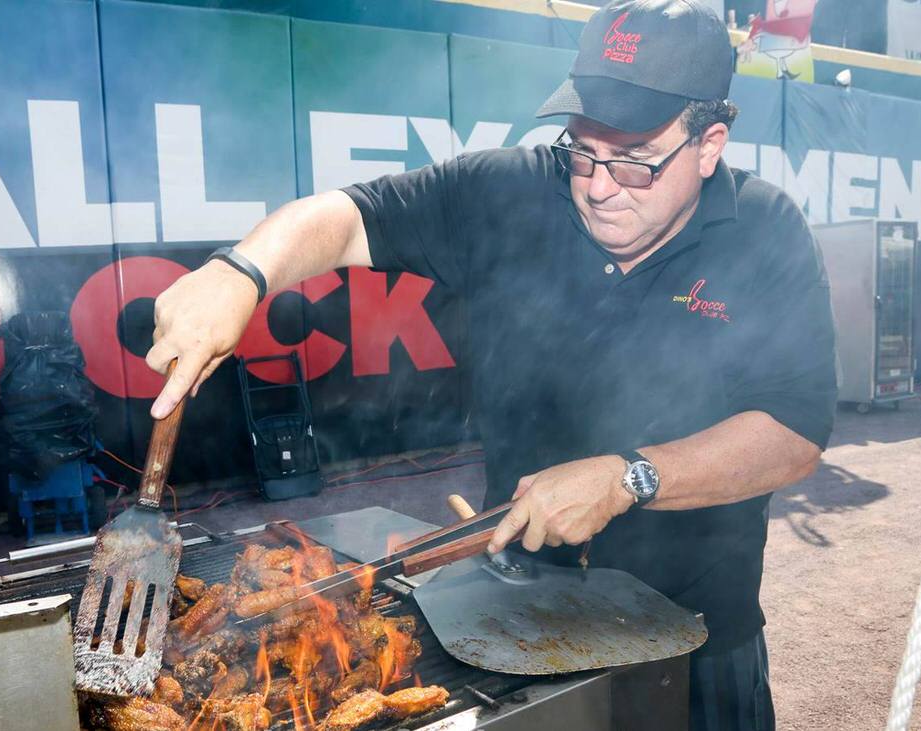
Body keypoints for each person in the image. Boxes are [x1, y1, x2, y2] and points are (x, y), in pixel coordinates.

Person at [147, 1, 836, 728]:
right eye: (583, 150)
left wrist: (627, 477)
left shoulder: (767, 233)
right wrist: (240, 272)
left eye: (634, 159)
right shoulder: (510, 191)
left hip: (695, 641)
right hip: (514, 617)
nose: (600, 185)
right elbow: (348, 218)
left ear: (708, 144)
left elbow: (795, 433)